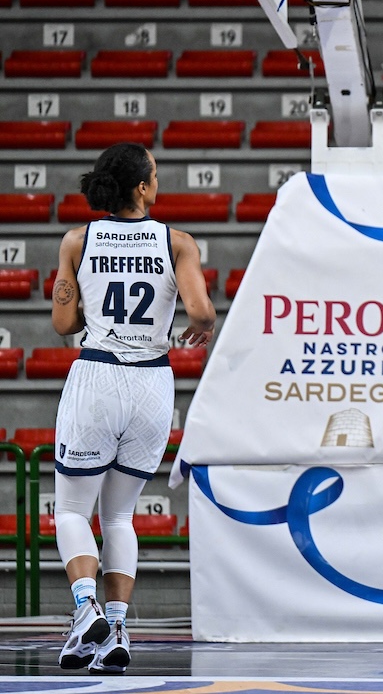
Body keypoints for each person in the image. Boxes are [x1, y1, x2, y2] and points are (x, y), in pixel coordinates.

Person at [51, 143, 215, 671]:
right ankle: (116, 628)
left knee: (74, 509)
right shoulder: (178, 242)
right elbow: (201, 312)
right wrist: (199, 328)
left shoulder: (78, 240)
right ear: (142, 188)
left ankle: (85, 609)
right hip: (152, 384)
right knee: (119, 514)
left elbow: (62, 323)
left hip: (97, 374)